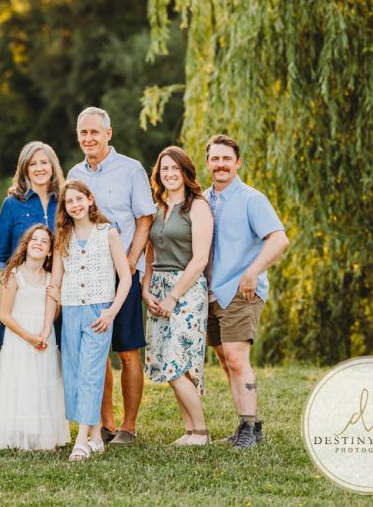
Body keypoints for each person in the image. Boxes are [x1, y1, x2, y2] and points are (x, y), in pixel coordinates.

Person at [67, 107, 155, 444]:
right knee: (95, 349)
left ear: (108, 133)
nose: (88, 138)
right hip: (88, 276)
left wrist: (131, 263)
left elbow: (145, 219)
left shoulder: (131, 170)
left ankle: (128, 428)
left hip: (124, 273)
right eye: (83, 133)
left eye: (94, 132)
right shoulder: (74, 173)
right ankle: (104, 422)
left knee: (128, 350)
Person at [203, 134, 289, 449]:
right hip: (211, 293)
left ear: (237, 163)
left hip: (242, 290)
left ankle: (249, 431)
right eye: (215, 158)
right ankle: (248, 423)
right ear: (208, 163)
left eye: (227, 159)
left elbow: (279, 239)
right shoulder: (203, 199)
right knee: (227, 361)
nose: (221, 164)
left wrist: (253, 271)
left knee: (238, 359)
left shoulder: (252, 199)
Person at [43, 180, 132, 461]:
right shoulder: (63, 237)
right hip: (70, 311)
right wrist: (47, 322)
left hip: (99, 313)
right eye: (70, 202)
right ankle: (95, 437)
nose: (76, 205)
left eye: (79, 199)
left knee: (91, 373)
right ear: (65, 208)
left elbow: (126, 276)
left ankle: (81, 440)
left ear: (90, 199)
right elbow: (55, 283)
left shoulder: (108, 232)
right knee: (73, 374)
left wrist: (111, 311)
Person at [142, 146, 213, 446]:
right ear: (158, 174)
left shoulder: (197, 206)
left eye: (175, 168)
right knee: (165, 361)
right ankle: (188, 431)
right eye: (164, 169)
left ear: (185, 172)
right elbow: (149, 253)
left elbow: (200, 259)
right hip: (157, 287)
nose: (169, 174)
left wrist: (173, 296)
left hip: (186, 289)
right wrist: (146, 288)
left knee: (178, 364)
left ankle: (202, 432)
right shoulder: (157, 207)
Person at [0, 225, 70, 451]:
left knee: (41, 384)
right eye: (34, 239)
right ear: (26, 245)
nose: (38, 243)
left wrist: (45, 329)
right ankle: (18, 434)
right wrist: (29, 337)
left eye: (44, 241)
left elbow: (53, 314)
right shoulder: (13, 275)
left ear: (50, 252)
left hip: (43, 337)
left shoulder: (49, 279)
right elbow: (4, 315)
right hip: (20, 339)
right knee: (21, 384)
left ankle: (41, 435)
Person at [0, 141, 65, 346]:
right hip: (21, 294)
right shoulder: (12, 204)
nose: (39, 168)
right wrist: (6, 293)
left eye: (44, 162)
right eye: (33, 164)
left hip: (57, 292)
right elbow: (0, 257)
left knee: (55, 354)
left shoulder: (64, 203)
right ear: (25, 168)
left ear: (53, 167)